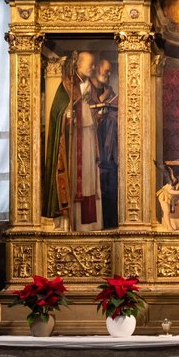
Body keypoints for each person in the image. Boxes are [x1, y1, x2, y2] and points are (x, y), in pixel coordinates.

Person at [43, 50, 103, 230]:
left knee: (89, 179)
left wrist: (98, 113)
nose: (93, 68)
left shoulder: (90, 86)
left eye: (93, 65)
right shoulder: (67, 85)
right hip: (75, 141)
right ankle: (72, 220)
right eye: (90, 64)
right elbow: (57, 112)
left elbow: (92, 109)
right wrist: (67, 116)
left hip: (89, 137)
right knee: (76, 179)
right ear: (79, 65)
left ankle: (90, 225)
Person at [89, 54, 119, 229]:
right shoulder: (87, 89)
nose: (108, 74)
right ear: (98, 68)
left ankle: (110, 222)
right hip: (95, 144)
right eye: (106, 71)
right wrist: (100, 108)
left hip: (110, 147)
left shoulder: (109, 90)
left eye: (110, 72)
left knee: (110, 184)